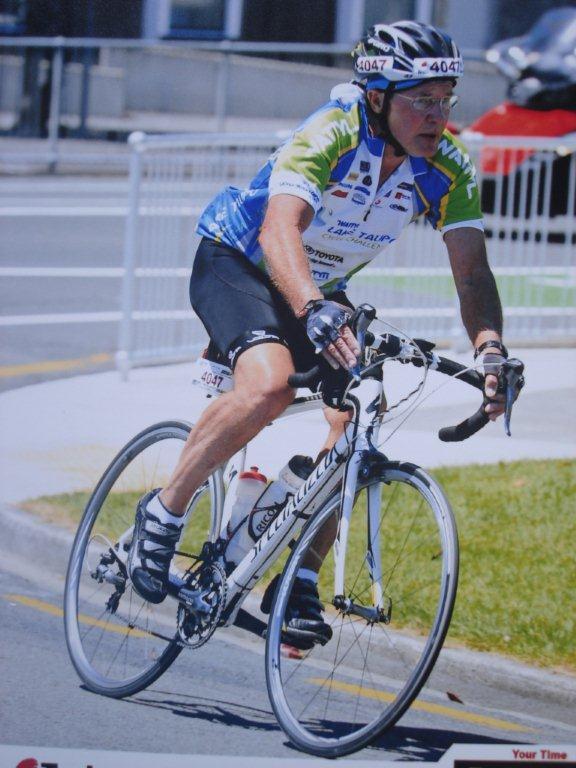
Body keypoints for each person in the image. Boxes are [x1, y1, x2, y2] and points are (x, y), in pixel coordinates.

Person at [127, 20, 509, 647]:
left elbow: (472, 273)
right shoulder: (332, 132)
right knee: (270, 386)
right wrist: (312, 307)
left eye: (446, 100)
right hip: (239, 262)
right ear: (379, 97)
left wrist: (490, 349)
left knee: (360, 413)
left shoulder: (447, 167)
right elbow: (281, 232)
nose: (438, 116)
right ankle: (162, 512)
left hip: (316, 288)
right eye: (422, 100)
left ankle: (296, 574)